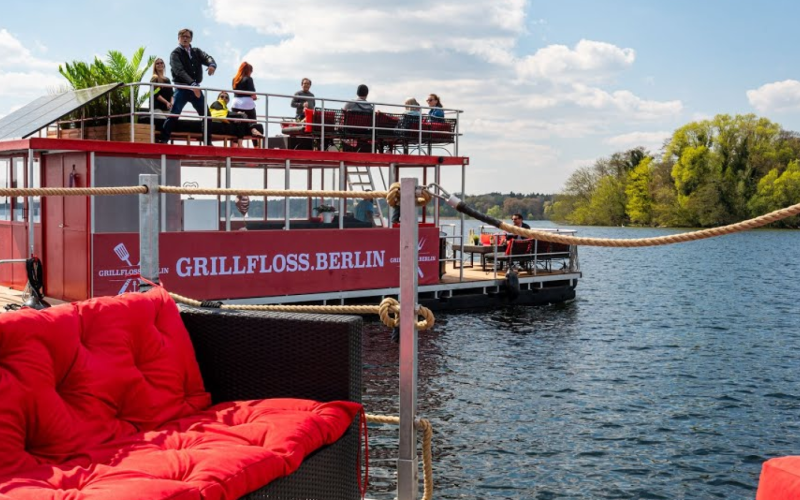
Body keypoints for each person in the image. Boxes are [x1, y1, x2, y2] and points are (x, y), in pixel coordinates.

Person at [158, 28, 217, 144]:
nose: (185, 38)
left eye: (187, 37)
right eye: (182, 36)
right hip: (182, 88)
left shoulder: (196, 51)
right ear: (178, 38)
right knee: (175, 114)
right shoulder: (175, 54)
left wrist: (212, 64)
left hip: (195, 88)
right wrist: (192, 84)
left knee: (206, 115)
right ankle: (163, 139)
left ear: (191, 39)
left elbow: (207, 57)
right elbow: (179, 71)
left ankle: (207, 141)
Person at [230, 62, 263, 146]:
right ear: (249, 71)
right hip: (247, 104)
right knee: (253, 123)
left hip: (235, 103)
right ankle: (256, 146)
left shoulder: (234, 79)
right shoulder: (248, 79)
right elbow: (252, 93)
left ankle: (235, 144)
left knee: (237, 124)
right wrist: (255, 98)